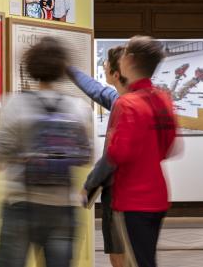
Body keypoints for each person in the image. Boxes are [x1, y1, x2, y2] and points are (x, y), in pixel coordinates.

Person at [0, 37, 91, 267]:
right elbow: (86, 156)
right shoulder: (77, 108)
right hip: (63, 207)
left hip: (20, 203)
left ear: (31, 66)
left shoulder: (13, 104)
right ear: (63, 69)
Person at [106, 36, 178, 267]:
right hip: (157, 194)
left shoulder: (126, 103)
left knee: (138, 261)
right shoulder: (163, 98)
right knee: (146, 259)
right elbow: (169, 147)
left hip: (132, 198)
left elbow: (117, 153)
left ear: (130, 60)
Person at [67, 46, 127, 267]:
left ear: (116, 73)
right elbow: (96, 89)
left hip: (120, 193)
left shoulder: (124, 106)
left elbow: (113, 155)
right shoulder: (127, 99)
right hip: (142, 192)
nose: (103, 66)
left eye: (106, 65)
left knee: (119, 253)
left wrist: (89, 185)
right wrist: (68, 68)